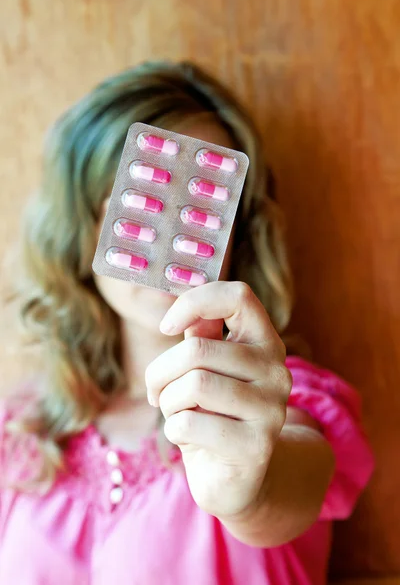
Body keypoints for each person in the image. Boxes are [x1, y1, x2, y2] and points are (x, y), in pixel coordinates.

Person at [0, 61, 373, 584]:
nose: (165, 236)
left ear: (236, 240)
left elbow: (292, 479)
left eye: (202, 210)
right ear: (84, 230)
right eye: (140, 204)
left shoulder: (280, 403)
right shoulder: (18, 432)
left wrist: (249, 494)